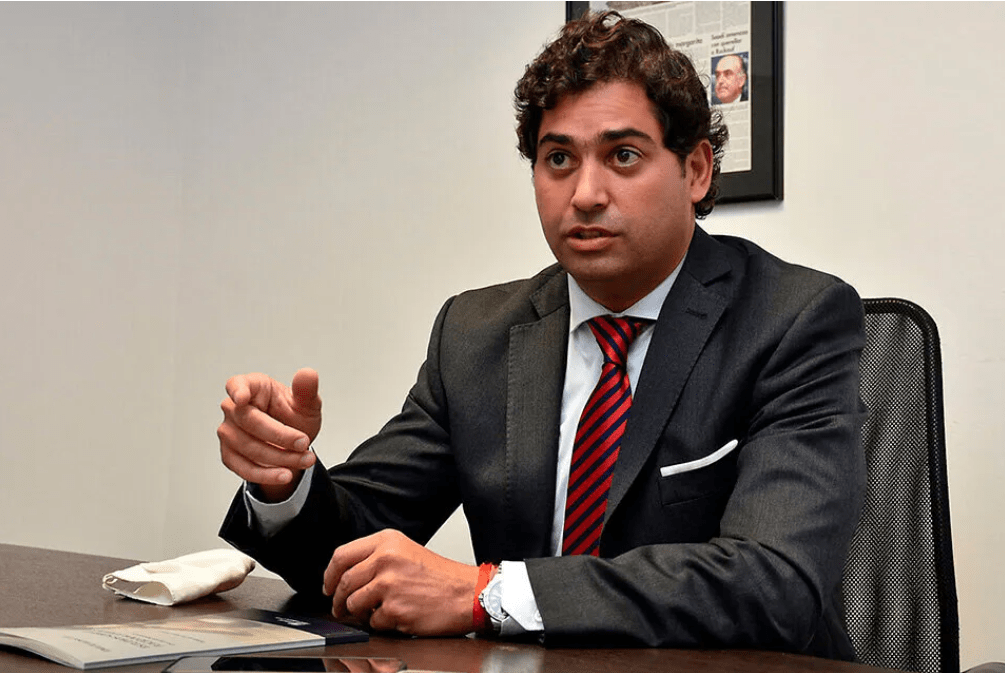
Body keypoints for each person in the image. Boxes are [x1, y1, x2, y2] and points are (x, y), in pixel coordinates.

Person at [217, 11, 866, 661]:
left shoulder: (791, 319)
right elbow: (349, 557)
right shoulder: (476, 334)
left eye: (623, 155)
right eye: (558, 159)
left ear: (695, 170)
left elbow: (773, 583)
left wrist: (487, 594)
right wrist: (285, 481)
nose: (585, 194)